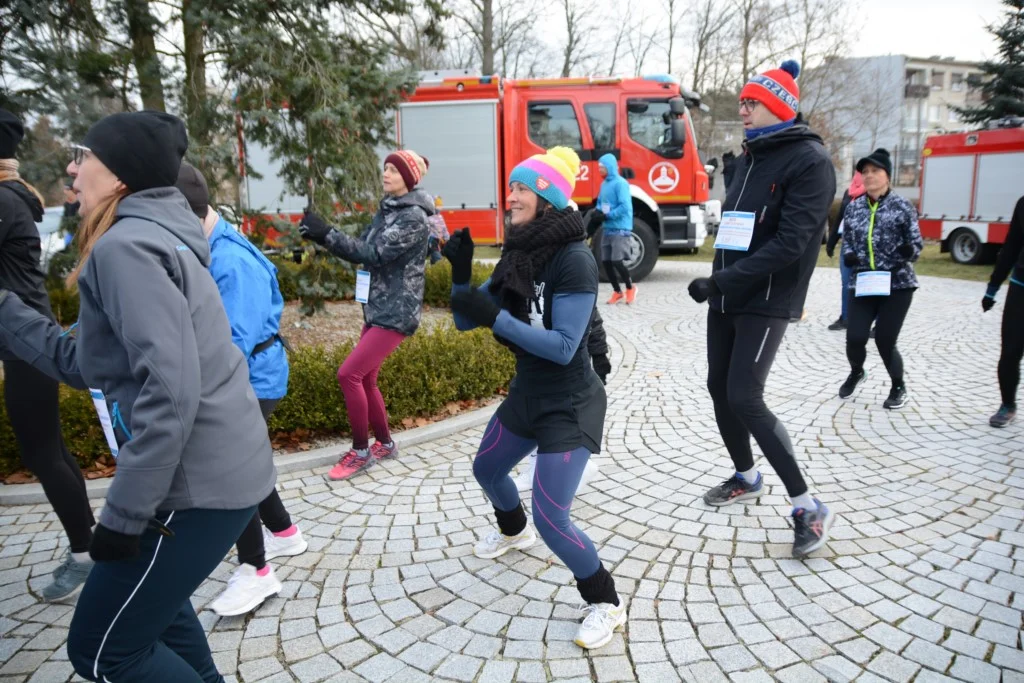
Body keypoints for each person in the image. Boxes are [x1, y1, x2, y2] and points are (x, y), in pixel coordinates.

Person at [0, 110, 276, 682]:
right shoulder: (156, 236)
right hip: (221, 474)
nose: (72, 171)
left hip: (193, 490)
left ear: (120, 176)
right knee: (154, 619)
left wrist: (123, 518)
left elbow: (170, 392)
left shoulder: (125, 247)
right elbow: (88, 363)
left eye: (85, 158)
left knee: (104, 653)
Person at [444, 146, 624, 650]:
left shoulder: (575, 260)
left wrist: (494, 315)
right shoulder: (518, 253)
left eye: (521, 188)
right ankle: (511, 531)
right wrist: (461, 278)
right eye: (512, 188)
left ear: (546, 196)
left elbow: (566, 347)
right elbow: (465, 318)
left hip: (570, 402)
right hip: (527, 392)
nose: (511, 196)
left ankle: (606, 602)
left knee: (553, 517)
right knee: (486, 470)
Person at [686, 61, 838, 558]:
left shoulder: (810, 161)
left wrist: (722, 279)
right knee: (718, 388)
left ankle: (807, 505)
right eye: (743, 102)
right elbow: (739, 226)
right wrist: (721, 274)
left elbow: (794, 242)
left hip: (767, 299)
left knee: (745, 397)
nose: (743, 109)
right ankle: (746, 476)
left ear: (777, 105)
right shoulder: (750, 156)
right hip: (727, 294)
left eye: (751, 102)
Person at [175, 163, 308, 616]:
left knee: (229, 470)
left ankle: (257, 572)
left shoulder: (230, 260)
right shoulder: (209, 244)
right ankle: (286, 533)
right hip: (246, 375)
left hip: (252, 380)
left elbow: (230, 344)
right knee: (247, 460)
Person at [0, 108, 96, 601]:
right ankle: (88, 544)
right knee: (49, 449)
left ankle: (85, 552)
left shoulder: (3, 199)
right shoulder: (14, 195)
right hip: (24, 335)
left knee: (43, 451)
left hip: (25, 341)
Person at [299, 150, 434, 480]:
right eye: (385, 168)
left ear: (410, 178)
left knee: (349, 375)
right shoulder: (388, 209)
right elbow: (362, 244)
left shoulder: (413, 217)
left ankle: (361, 451)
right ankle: (385, 444)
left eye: (394, 170)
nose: (385, 174)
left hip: (396, 312)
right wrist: (321, 235)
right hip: (378, 307)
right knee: (367, 378)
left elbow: (373, 254)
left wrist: (326, 233)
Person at [839, 148, 922, 410]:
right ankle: (857, 371)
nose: (869, 176)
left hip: (897, 284)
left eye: (875, 171)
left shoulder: (902, 206)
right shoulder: (854, 208)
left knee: (885, 339)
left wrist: (910, 251)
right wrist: (850, 254)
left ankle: (898, 386)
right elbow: (849, 239)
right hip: (864, 281)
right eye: (865, 172)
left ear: (887, 175)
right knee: (854, 336)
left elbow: (916, 243)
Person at [512, 307, 608, 492]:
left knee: (556, 417)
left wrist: (599, 355)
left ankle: (573, 468)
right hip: (536, 360)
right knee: (532, 409)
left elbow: (590, 315)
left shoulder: (572, 280)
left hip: (565, 366)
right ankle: (546, 468)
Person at [981, 195, 1024, 428]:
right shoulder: (1023, 203)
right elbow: (1011, 247)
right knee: (1010, 352)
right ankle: (1008, 405)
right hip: (1020, 289)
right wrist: (992, 288)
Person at [594, 153, 636, 305]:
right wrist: (598, 212)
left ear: (610, 167)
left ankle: (630, 288)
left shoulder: (621, 183)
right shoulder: (604, 184)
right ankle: (617, 291)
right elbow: (600, 202)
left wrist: (609, 215)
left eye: (602, 168)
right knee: (606, 262)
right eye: (599, 168)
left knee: (617, 261)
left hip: (620, 228)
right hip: (607, 228)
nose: (600, 170)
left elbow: (625, 206)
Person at [826, 172, 866, 331]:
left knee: (866, 283)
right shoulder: (849, 192)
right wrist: (831, 241)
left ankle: (871, 321)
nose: (866, 174)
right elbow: (840, 218)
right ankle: (845, 317)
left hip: (866, 245)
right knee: (846, 282)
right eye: (863, 170)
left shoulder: (873, 192)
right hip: (847, 243)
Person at [427, 195, 450, 264]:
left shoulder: (440, 216)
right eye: (438, 205)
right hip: (432, 240)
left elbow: (444, 228)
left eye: (441, 205)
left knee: (435, 256)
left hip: (439, 240)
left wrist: (447, 237)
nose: (440, 207)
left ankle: (433, 269)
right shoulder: (428, 216)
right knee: (437, 257)